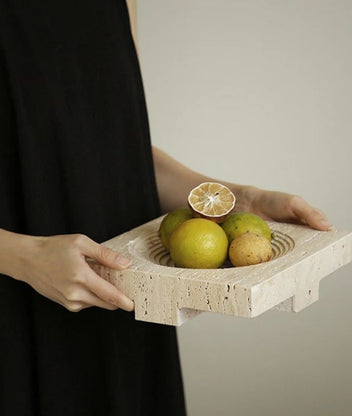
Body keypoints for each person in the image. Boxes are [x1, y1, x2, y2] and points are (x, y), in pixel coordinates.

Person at [0, 1, 331, 415]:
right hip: (16, 307)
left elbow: (123, 155)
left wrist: (237, 198)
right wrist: (22, 256)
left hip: (123, 302)